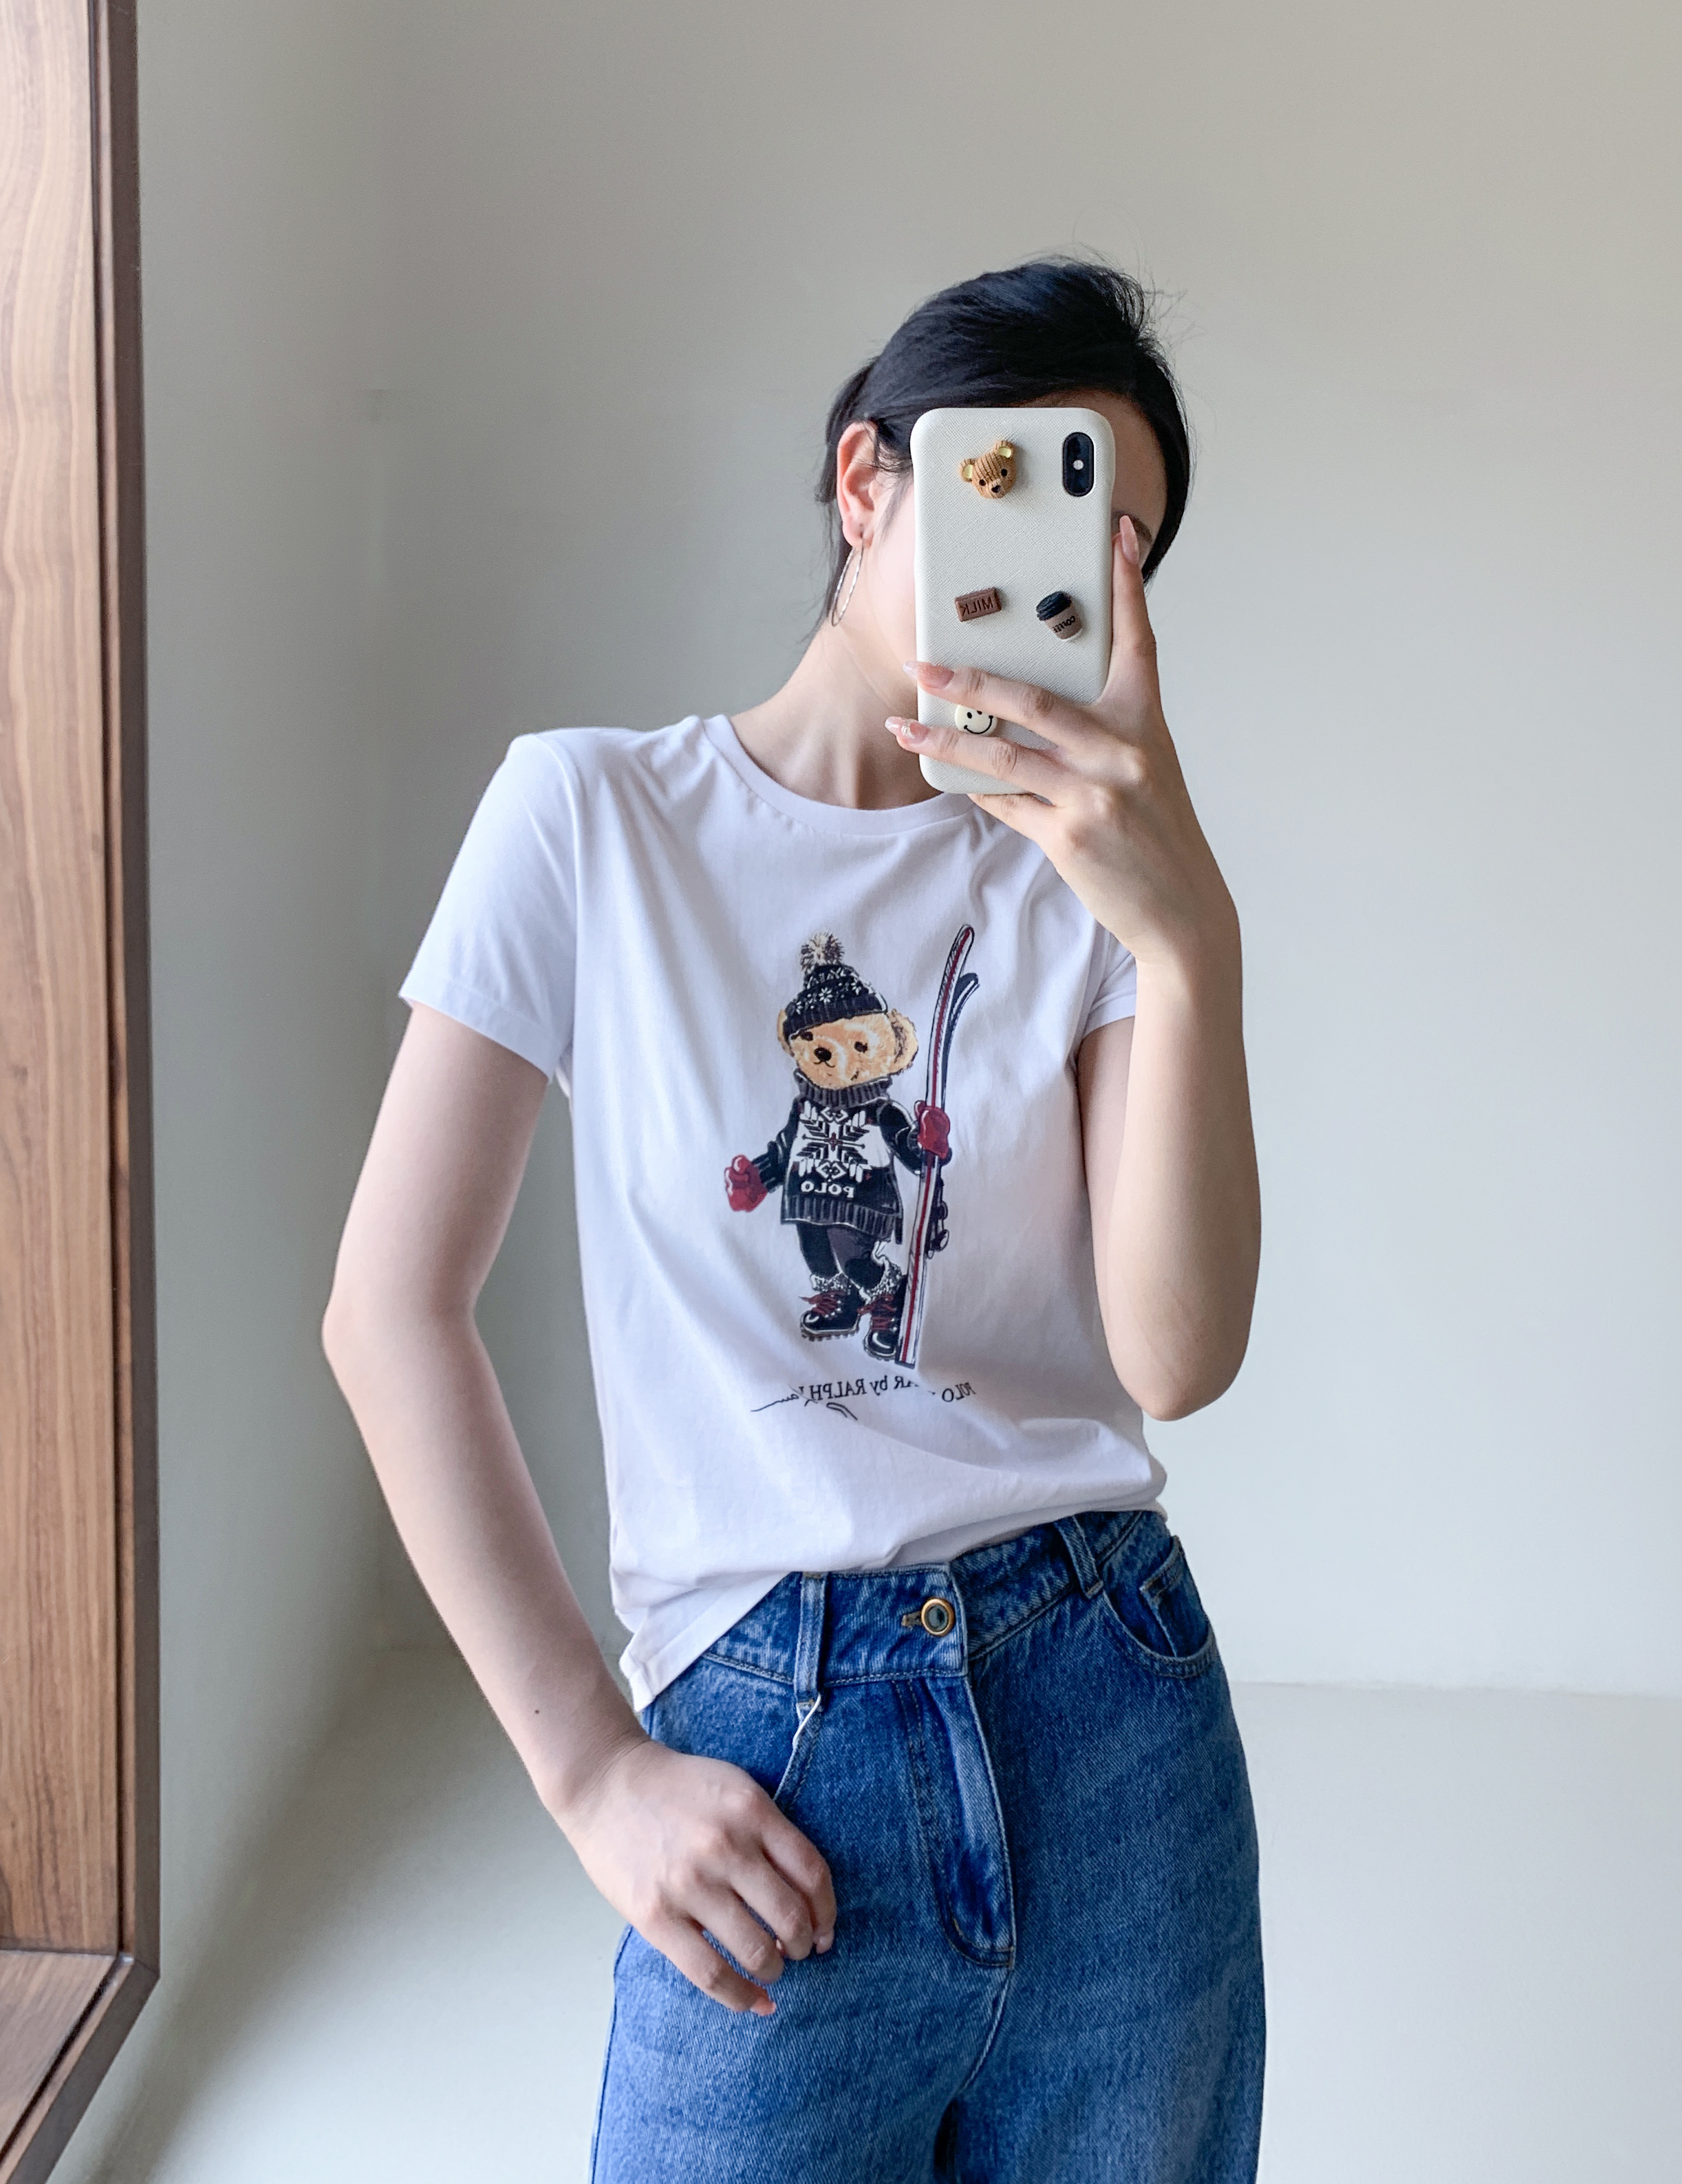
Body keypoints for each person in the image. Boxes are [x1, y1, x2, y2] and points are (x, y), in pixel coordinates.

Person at [323, 258, 1266, 2181]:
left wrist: (1192, 944)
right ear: (865, 483)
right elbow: (389, 1312)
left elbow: (1176, 1358)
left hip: (1112, 1706)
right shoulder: (588, 818)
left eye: (1118, 546)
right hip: (777, 1747)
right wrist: (592, 1773)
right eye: (1020, 485)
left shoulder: (1088, 888)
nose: (1063, 571)